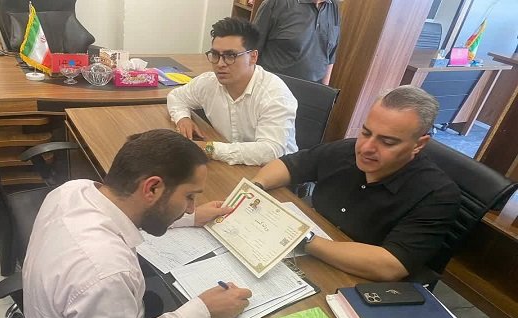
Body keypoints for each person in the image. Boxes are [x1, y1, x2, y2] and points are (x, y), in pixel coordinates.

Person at [20, 129, 253, 318]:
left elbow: (127, 211)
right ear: (152, 188)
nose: (191, 207)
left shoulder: (73, 190)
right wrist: (204, 309)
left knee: (152, 300)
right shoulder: (105, 270)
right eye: (189, 196)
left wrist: (189, 218)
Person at [252, 86, 460, 283]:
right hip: (315, 253)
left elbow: (391, 265)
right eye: (366, 132)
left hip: (358, 278)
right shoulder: (346, 150)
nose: (366, 148)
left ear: (419, 144)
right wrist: (254, 189)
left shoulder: (437, 194)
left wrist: (301, 238)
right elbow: (289, 165)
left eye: (387, 142)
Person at [167, 17, 298, 166]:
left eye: (230, 56)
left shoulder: (274, 94)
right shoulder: (209, 82)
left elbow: (271, 151)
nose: (220, 64)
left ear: (253, 57)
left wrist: (210, 149)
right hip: (230, 164)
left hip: (276, 171)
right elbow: (176, 97)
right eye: (215, 55)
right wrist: (182, 118)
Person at [253, 0, 341, 85]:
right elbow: (251, 50)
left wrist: (324, 90)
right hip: (272, 88)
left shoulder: (333, 6)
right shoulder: (276, 3)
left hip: (311, 91)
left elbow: (330, 56)